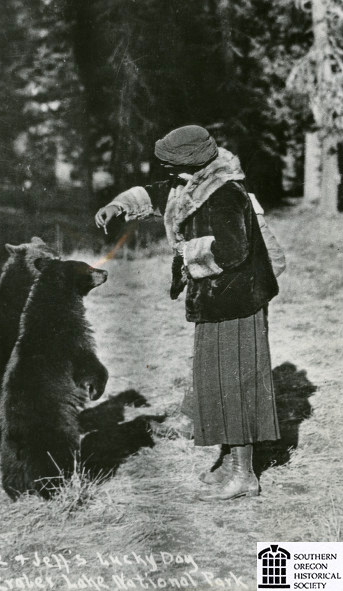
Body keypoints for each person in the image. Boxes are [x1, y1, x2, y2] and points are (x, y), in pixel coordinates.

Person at [95, 125, 285, 501]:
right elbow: (159, 194)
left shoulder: (225, 193)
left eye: (168, 165)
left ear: (188, 163)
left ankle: (244, 475)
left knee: (235, 384)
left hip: (237, 303)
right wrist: (118, 205)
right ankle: (230, 464)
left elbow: (231, 251)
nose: (165, 173)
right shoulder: (195, 181)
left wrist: (185, 254)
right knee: (215, 381)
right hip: (217, 299)